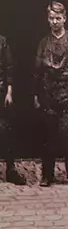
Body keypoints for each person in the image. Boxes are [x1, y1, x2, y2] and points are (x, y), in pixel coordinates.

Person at [33, 1, 68, 188]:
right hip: (48, 95)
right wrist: (36, 95)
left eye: (58, 18)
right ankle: (47, 175)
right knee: (48, 137)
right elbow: (37, 71)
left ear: (64, 18)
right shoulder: (43, 42)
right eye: (51, 18)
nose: (54, 22)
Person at [0, 30, 21, 184]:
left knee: (6, 130)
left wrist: (9, 92)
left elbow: (9, 67)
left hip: (0, 91)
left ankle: (10, 169)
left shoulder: (2, 41)